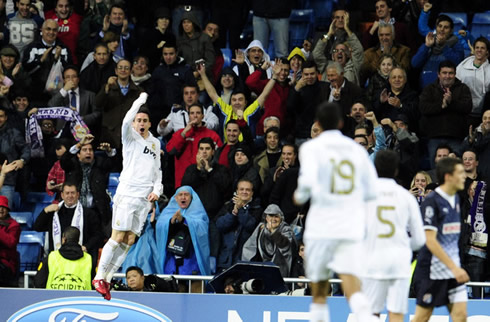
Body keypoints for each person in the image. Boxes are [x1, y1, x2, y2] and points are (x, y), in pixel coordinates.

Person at [294, 101, 379, 322]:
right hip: (349, 225)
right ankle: (366, 316)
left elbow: (303, 192)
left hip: (320, 226)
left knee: (320, 288)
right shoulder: (356, 151)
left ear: (319, 124)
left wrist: (298, 197)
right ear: (341, 122)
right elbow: (371, 192)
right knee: (350, 279)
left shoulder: (310, 149)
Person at [92, 93, 163, 301]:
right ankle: (99, 276)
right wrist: (140, 100)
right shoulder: (129, 137)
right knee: (118, 236)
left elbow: (157, 172)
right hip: (127, 193)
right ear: (134, 122)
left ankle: (109, 277)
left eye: (144, 120)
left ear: (150, 123)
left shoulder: (155, 144)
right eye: (138, 120)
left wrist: (157, 191)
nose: (141, 123)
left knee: (130, 240)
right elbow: (125, 120)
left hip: (143, 199)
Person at [362, 150, 426, 322]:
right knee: (396, 313)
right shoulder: (406, 197)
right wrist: (403, 245)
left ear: (374, 168)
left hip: (373, 259)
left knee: (371, 313)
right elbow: (420, 240)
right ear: (396, 170)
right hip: (399, 261)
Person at [412, 158, 469, 322]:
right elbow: (430, 241)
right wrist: (455, 268)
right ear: (448, 176)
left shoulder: (456, 200)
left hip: (452, 271)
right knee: (422, 317)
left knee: (460, 316)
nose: (464, 176)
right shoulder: (431, 202)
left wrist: (455, 267)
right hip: (432, 270)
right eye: (459, 173)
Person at [198, 62, 276, 139]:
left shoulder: (250, 112)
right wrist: (202, 74)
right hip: (228, 149)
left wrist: (274, 77)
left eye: (240, 100)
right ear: (230, 102)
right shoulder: (226, 110)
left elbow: (264, 94)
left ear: (245, 103)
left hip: (246, 149)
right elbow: (212, 93)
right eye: (234, 100)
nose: (237, 102)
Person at [419, 60, 472, 164]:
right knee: (435, 171)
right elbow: (423, 107)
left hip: (456, 137)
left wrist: (451, 102)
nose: (447, 76)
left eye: (450, 73)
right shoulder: (429, 89)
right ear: (438, 74)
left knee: (456, 169)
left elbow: (467, 107)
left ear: (455, 74)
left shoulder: (463, 88)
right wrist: (441, 105)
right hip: (434, 136)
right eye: (444, 73)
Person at [166, 103, 222, 188]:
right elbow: (170, 151)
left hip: (205, 184)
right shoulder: (180, 133)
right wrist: (184, 133)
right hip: (183, 183)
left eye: (198, 113)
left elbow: (219, 159)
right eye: (192, 113)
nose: (195, 116)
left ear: (203, 116)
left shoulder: (212, 136)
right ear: (188, 116)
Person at [96, 59, 142, 153]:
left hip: (130, 135)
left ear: (130, 71)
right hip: (110, 135)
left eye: (126, 68)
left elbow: (143, 111)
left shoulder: (138, 91)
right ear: (116, 71)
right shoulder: (107, 88)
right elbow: (97, 104)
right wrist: (107, 87)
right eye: (120, 68)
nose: (123, 70)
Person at [22, 19, 72, 105]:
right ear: (42, 30)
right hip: (36, 94)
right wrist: (40, 60)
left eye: (54, 30)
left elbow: (69, 70)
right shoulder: (33, 47)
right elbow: (26, 68)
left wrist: (57, 59)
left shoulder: (63, 48)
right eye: (48, 29)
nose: (51, 32)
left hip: (57, 94)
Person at [215, 179, 262, 271]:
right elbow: (220, 225)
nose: (244, 192)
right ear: (237, 191)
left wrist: (240, 209)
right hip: (226, 259)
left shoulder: (258, 209)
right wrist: (234, 213)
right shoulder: (228, 206)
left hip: (246, 259)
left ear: (252, 193)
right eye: (242, 189)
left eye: (248, 190)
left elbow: (250, 226)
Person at [242, 204, 296, 277]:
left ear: (281, 218)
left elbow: (285, 246)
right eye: (271, 216)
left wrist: (273, 232)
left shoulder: (286, 229)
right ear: (266, 218)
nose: (273, 219)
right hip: (263, 269)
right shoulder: (261, 228)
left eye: (276, 216)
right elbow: (249, 247)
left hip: (281, 269)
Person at [411, 15, 464, 89]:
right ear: (436, 28)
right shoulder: (430, 41)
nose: (442, 29)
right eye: (440, 26)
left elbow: (458, 63)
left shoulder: (456, 44)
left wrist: (444, 46)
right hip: (426, 86)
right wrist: (426, 46)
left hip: (447, 87)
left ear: (451, 30)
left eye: (446, 27)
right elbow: (415, 63)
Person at [313, 11, 363, 86]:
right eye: (336, 51)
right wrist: (329, 34)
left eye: (342, 50)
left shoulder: (354, 67)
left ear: (348, 55)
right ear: (332, 56)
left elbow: (358, 50)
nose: (339, 52)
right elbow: (316, 53)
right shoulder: (326, 65)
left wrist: (346, 28)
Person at [286, 61, 329, 144]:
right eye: (306, 74)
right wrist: (296, 89)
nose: (309, 77)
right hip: (301, 135)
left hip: (321, 134)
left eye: (312, 74)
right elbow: (289, 108)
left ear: (317, 73)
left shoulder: (326, 87)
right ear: (302, 74)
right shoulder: (296, 89)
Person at [48, 65, 99, 131]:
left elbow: (97, 113)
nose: (71, 80)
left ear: (78, 79)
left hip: (82, 131)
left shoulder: (90, 95)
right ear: (64, 80)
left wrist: (81, 119)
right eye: (67, 77)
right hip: (63, 131)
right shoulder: (59, 94)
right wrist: (64, 90)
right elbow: (51, 106)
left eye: (74, 77)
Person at [456, 37, 490, 127]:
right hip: (463, 113)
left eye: (482, 48)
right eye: (477, 48)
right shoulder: (461, 67)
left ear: (487, 51)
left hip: (482, 115)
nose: (479, 50)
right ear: (473, 50)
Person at [0, 106, 30, 208]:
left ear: (6, 118)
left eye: (1, 116)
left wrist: (22, 160)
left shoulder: (14, 133)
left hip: (8, 181)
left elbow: (26, 149)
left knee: (4, 212)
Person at [44, 0, 82, 65]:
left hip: (70, 63)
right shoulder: (50, 17)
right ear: (55, 8)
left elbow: (79, 3)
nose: (64, 9)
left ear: (70, 8)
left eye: (66, 6)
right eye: (60, 6)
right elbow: (48, 3)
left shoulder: (75, 19)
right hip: (51, 63)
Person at [0, 195, 20, 287]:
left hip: (6, 263)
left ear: (7, 210)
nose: (1, 210)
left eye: (3, 207)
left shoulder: (14, 225)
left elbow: (11, 243)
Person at [465, 109, 490, 182]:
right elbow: (464, 151)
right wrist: (470, 141)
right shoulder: (476, 133)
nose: (487, 121)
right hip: (479, 176)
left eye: (489, 118)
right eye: (485, 118)